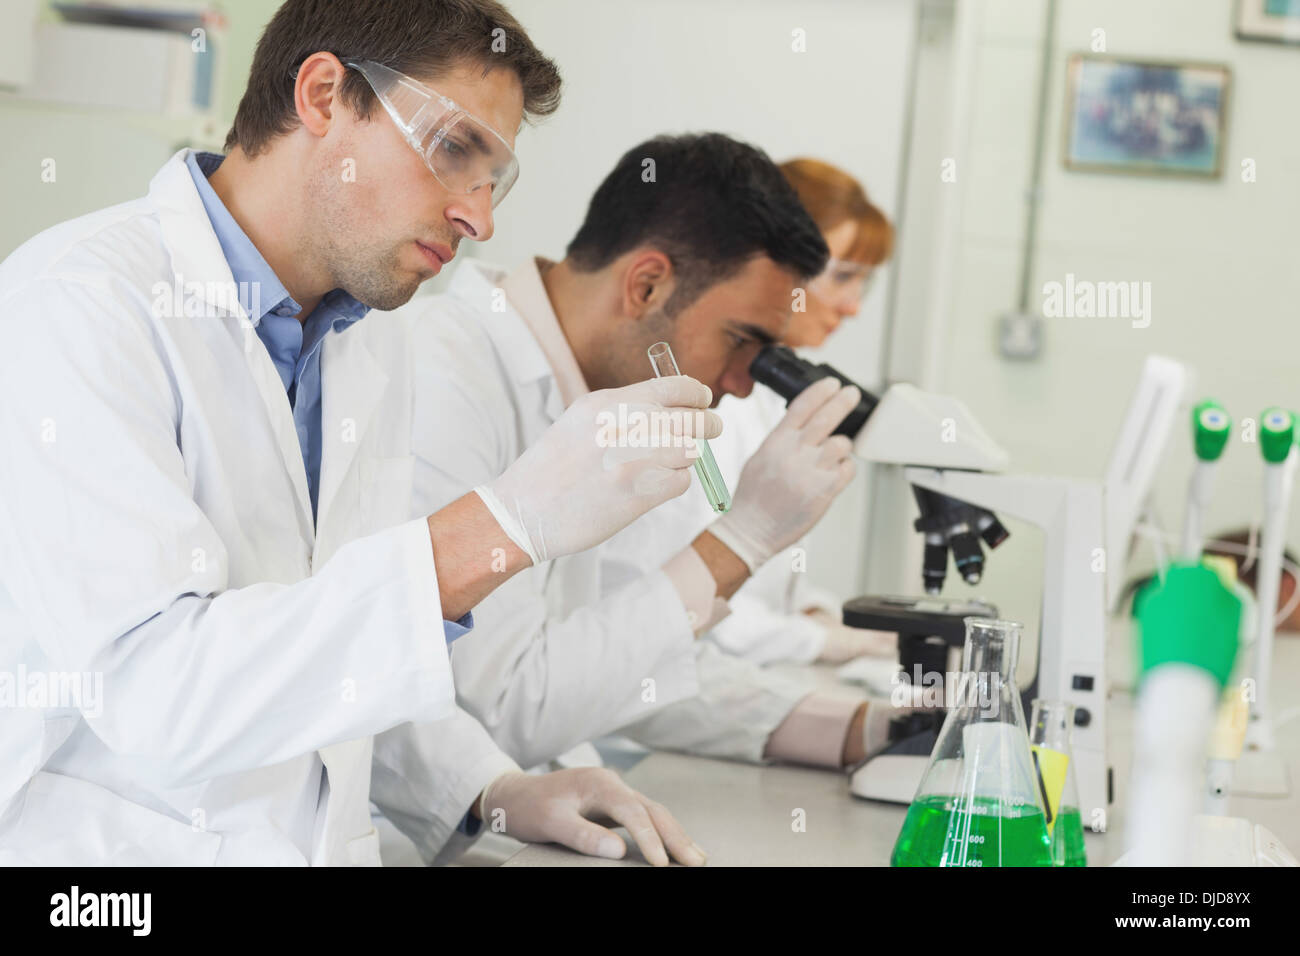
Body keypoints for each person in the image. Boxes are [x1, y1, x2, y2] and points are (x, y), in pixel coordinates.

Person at [0, 0, 715, 866]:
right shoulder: (78, 307)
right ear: (323, 95)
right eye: (454, 149)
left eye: (494, 179)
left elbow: (344, 649)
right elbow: (156, 693)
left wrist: (492, 789)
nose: (480, 219)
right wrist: (501, 526)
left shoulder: (368, 340)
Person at [369, 135, 914, 867]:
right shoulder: (445, 376)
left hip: (530, 801)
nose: (745, 383)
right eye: (742, 340)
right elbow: (513, 703)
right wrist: (740, 541)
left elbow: (631, 662)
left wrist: (854, 730)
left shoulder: (599, 397)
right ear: (647, 286)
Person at [641, 157, 898, 668]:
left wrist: (815, 614)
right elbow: (676, 594)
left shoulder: (764, 394)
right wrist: (822, 643)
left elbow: (762, 585)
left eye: (864, 284)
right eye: (843, 277)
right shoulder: (710, 397)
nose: (853, 307)